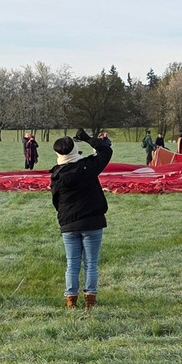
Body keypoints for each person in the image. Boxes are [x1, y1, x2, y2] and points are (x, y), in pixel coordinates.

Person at [50, 128, 113, 309]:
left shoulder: (57, 175)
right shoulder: (88, 166)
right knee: (91, 263)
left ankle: (71, 299)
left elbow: (56, 201)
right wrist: (87, 138)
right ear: (74, 149)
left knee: (72, 263)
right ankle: (90, 300)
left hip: (69, 223)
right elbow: (106, 151)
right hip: (92, 221)